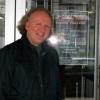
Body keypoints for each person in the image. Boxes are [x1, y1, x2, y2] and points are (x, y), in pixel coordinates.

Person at [0, 7, 61, 100]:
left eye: (47, 26)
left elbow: (56, 91)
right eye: (38, 24)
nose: (42, 29)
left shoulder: (52, 54)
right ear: (27, 25)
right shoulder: (8, 54)